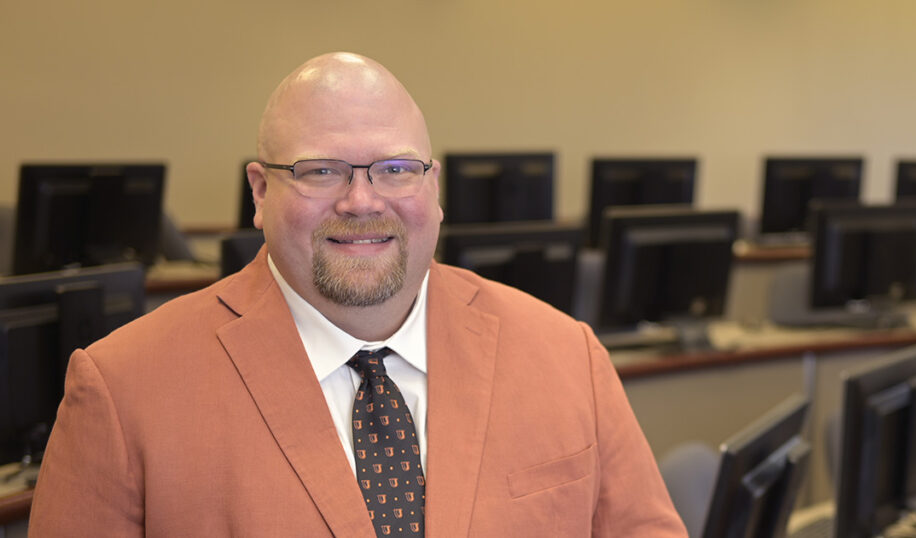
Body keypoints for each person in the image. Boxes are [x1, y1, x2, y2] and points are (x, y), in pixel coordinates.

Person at [29, 52, 687, 537]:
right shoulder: (121, 390)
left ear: (433, 188)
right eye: (322, 171)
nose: (362, 200)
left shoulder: (567, 354)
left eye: (396, 169)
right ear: (260, 193)